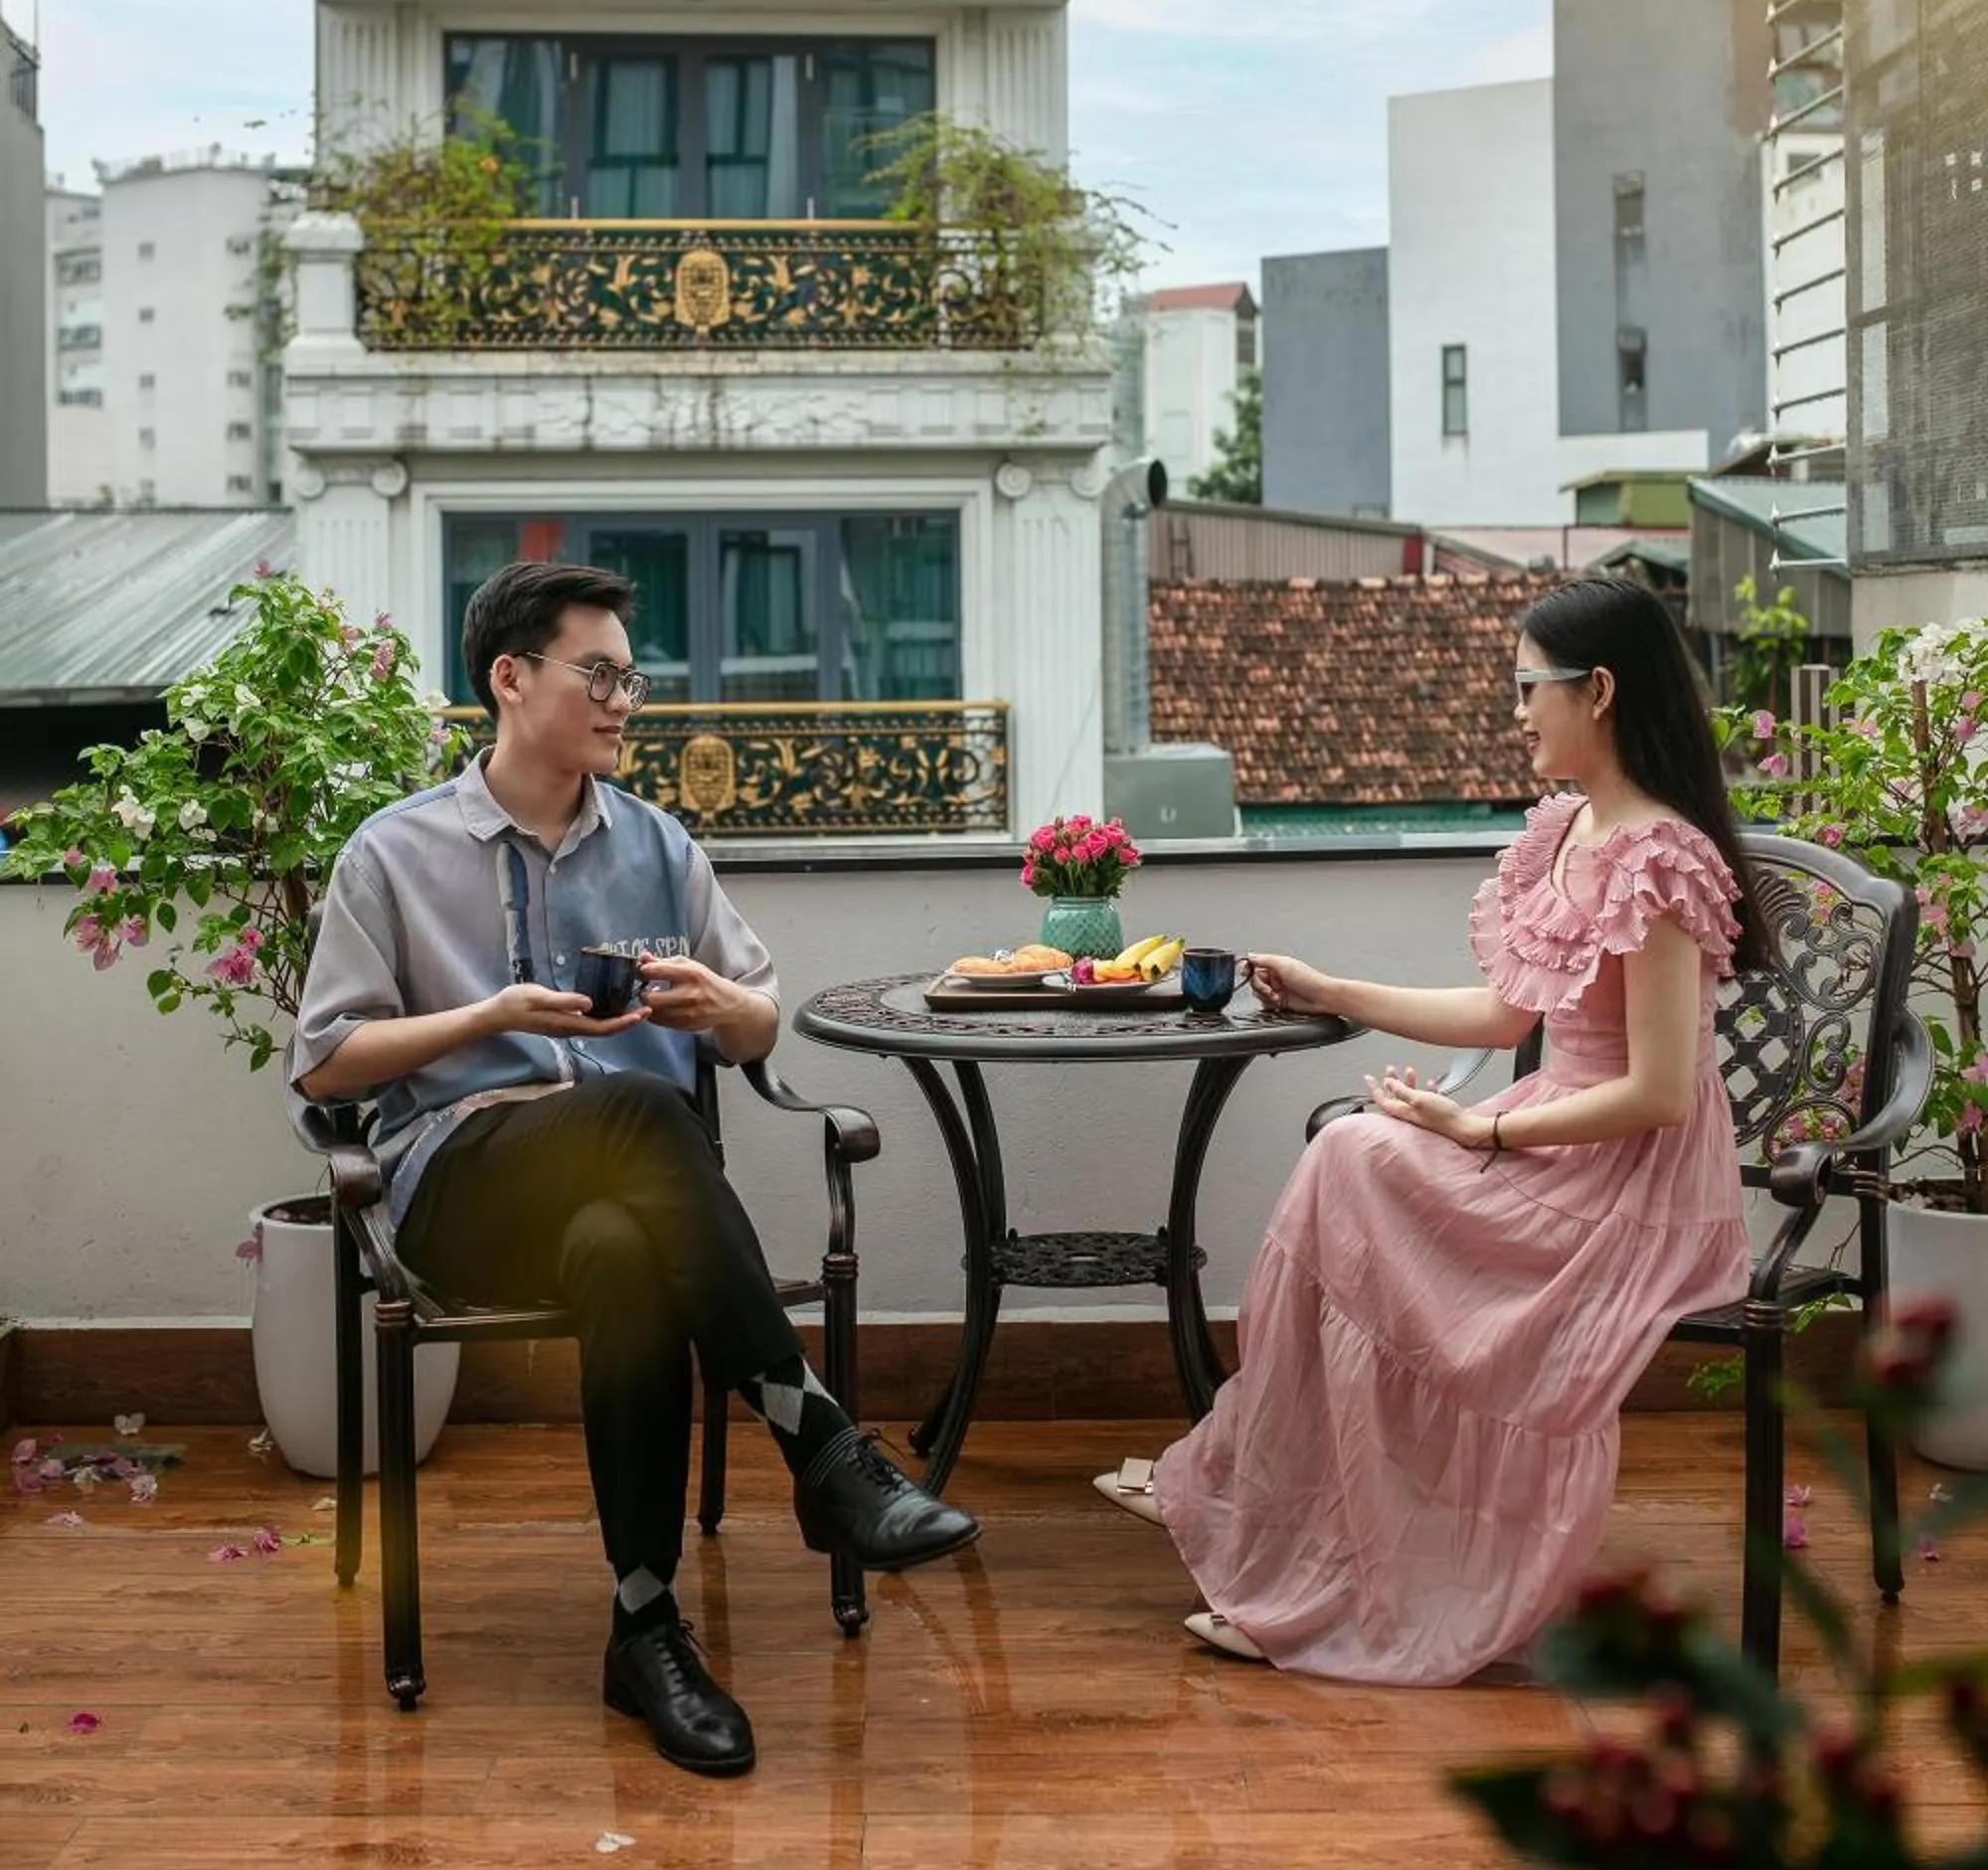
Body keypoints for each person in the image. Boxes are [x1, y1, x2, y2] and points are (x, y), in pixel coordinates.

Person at [292, 559, 977, 1776]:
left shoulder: (661, 848)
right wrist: (484, 1016)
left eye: (629, 678)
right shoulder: (390, 856)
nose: (623, 700)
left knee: (624, 1239)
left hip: (626, 1199)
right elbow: (327, 1065)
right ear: (510, 680)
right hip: (458, 1187)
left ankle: (644, 1624)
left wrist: (729, 1009)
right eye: (595, 673)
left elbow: (759, 1028)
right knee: (649, 1119)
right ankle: (816, 1438)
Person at [1095, 572, 1764, 1683]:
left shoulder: (1656, 857)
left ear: (1594, 691)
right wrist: (1334, 991)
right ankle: (1278, 1513)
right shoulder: (1563, 834)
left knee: (1354, 1157)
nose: (1514, 715)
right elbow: (1508, 1015)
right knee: (1347, 1157)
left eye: (1525, 688)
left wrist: (1479, 1136)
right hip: (1552, 1131)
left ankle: (1319, 1544)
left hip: (1626, 1181)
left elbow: (1658, 1094)